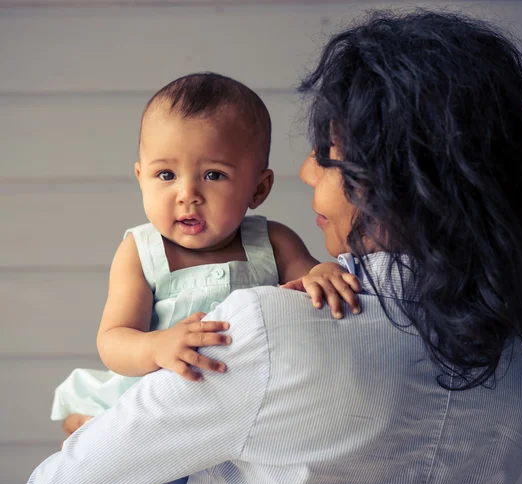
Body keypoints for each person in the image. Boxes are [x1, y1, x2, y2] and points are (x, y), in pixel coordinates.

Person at [28, 9, 522, 484]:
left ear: (398, 182)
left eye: (328, 156)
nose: (307, 171)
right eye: (165, 174)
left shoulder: (261, 333)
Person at [50, 72, 362, 438]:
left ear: (258, 189)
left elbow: (310, 280)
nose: (187, 194)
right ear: (140, 178)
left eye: (213, 175)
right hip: (156, 406)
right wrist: (157, 346)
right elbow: (114, 339)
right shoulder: (142, 251)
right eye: (166, 174)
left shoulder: (272, 241)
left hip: (241, 406)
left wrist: (324, 271)